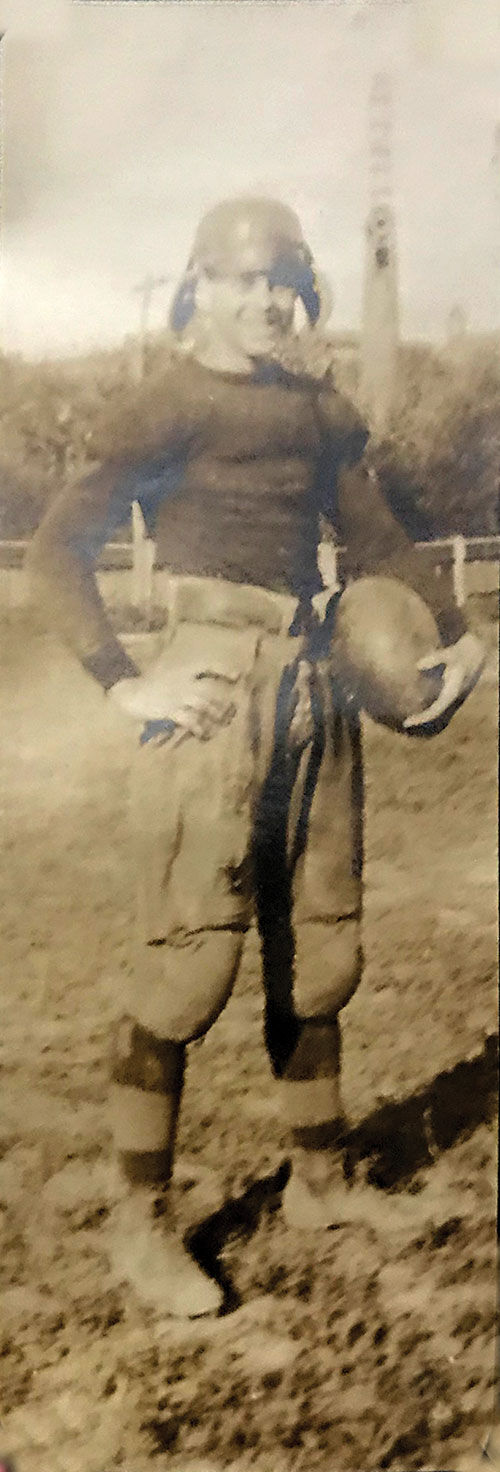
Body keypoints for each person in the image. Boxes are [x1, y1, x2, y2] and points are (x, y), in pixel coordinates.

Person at [28, 196, 484, 1319]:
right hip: (208, 689)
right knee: (185, 964)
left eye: (277, 279)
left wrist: (462, 632)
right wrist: (120, 678)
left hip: (311, 679)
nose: (259, 299)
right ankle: (141, 1224)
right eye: (235, 280)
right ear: (196, 287)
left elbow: (372, 536)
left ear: (299, 291)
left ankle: (321, 1181)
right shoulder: (165, 404)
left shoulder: (320, 409)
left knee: (320, 945)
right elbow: (55, 550)